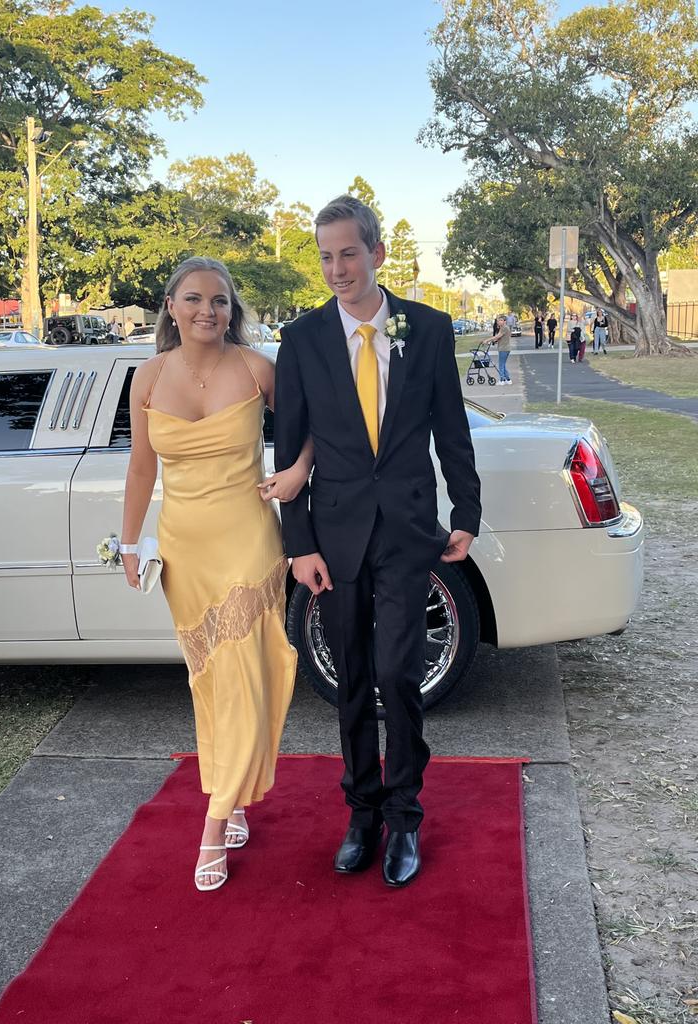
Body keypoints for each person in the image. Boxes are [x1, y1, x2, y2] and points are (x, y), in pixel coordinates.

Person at [274, 196, 481, 888]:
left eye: (349, 253)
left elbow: (451, 429)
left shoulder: (428, 328)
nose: (337, 268)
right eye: (327, 255)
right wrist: (297, 543)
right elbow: (291, 447)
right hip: (333, 534)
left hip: (406, 529)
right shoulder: (301, 339)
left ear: (377, 253)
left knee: (399, 673)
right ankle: (361, 812)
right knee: (350, 680)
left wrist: (468, 513)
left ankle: (404, 818)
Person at [121, 256, 313, 892]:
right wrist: (128, 542)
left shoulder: (259, 369)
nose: (209, 310)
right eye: (195, 298)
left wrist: (298, 470)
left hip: (248, 540)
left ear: (234, 310)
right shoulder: (147, 378)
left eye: (221, 301)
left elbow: (310, 431)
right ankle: (231, 788)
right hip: (184, 553)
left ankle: (214, 818)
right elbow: (142, 471)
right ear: (170, 306)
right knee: (211, 681)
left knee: (243, 676)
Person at [492, 314, 513, 384]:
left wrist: (487, 340)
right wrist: (495, 341)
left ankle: (502, 380)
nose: (499, 322)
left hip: (504, 349)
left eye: (501, 320)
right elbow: (500, 338)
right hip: (504, 348)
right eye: (498, 321)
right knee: (503, 364)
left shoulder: (504, 328)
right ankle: (508, 379)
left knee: (501, 365)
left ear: (505, 321)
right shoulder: (502, 328)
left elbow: (497, 336)